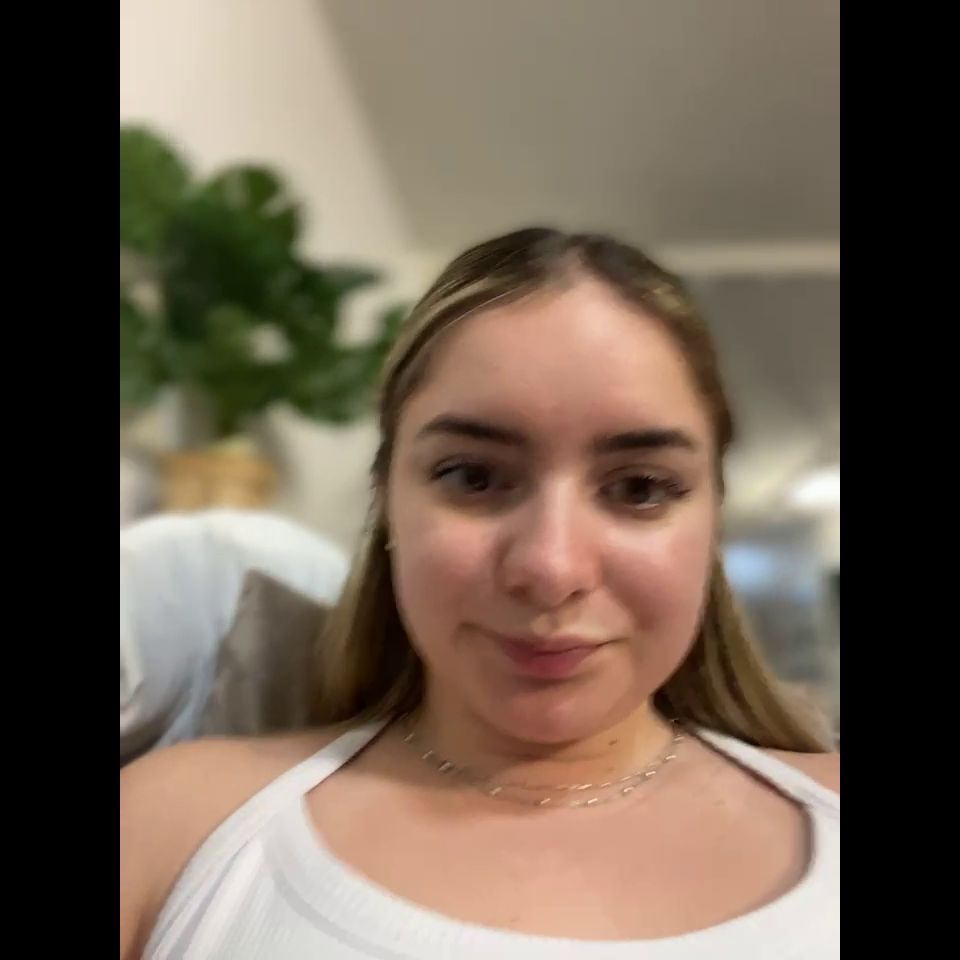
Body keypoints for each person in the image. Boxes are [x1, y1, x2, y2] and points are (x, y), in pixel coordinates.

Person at [120, 228, 839, 959]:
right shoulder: (169, 830)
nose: (552, 567)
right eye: (473, 476)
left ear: (712, 517)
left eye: (639, 488)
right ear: (387, 500)